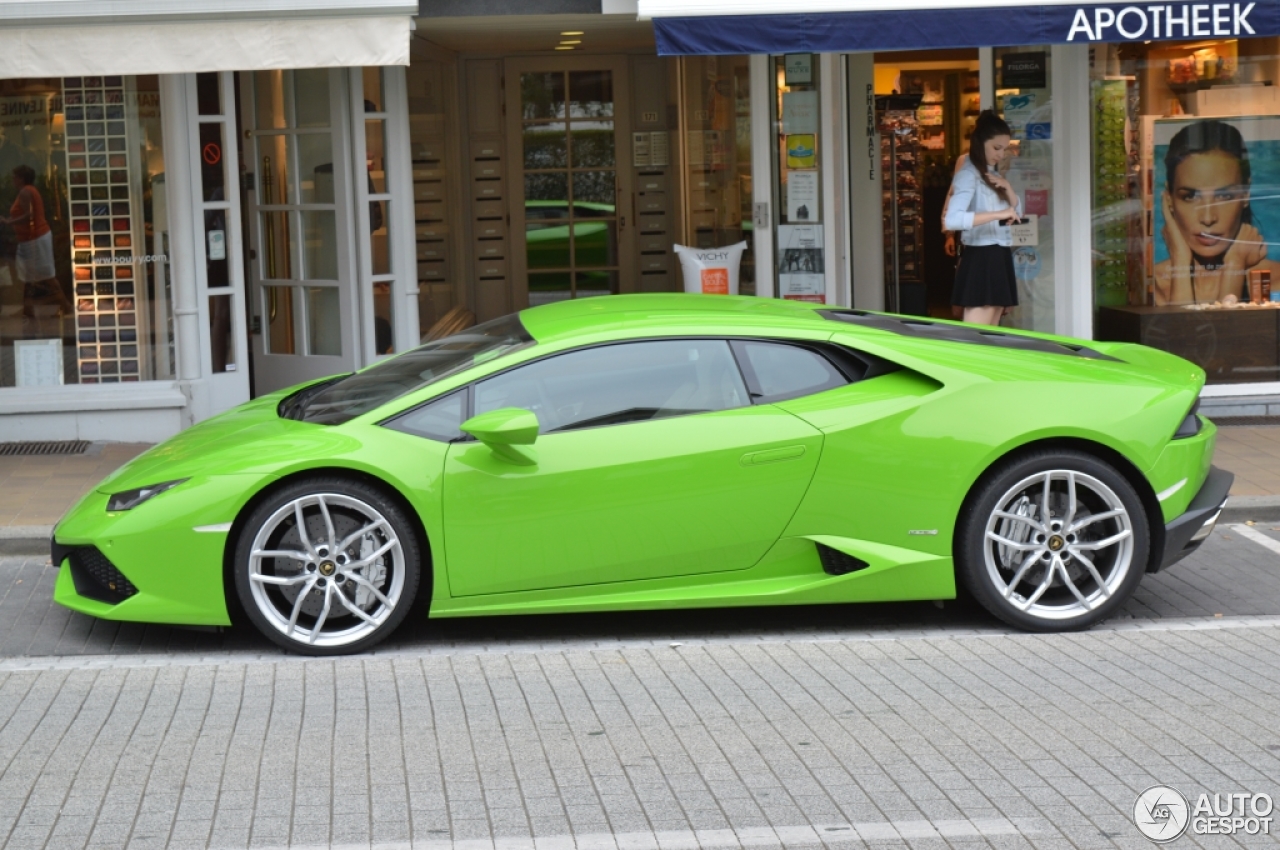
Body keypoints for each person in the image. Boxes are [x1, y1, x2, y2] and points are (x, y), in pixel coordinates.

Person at [1154, 119, 1279, 305]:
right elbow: (1181, 333)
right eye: (1190, 196)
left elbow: (1223, 333)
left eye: (1224, 196)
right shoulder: (1155, 283)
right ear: (1169, 199)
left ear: (1245, 194)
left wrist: (1235, 263)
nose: (1208, 218)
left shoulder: (1274, 279)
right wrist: (1180, 260)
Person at [943, 110, 1021, 326]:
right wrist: (999, 213)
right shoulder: (968, 175)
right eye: (996, 148)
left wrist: (1009, 191)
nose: (1001, 154)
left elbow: (1017, 214)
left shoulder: (992, 175)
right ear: (980, 142)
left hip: (997, 254)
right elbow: (952, 219)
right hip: (982, 256)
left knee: (988, 337)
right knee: (976, 338)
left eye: (1004, 149)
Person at [2, 165, 71, 318]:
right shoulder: (29, 191)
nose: (13, 179)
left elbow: (29, 215)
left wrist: (8, 222)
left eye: (15, 177)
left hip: (35, 239)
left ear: (20, 178)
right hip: (30, 239)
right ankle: (28, 309)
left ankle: (65, 304)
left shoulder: (26, 192)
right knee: (29, 275)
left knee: (45, 274)